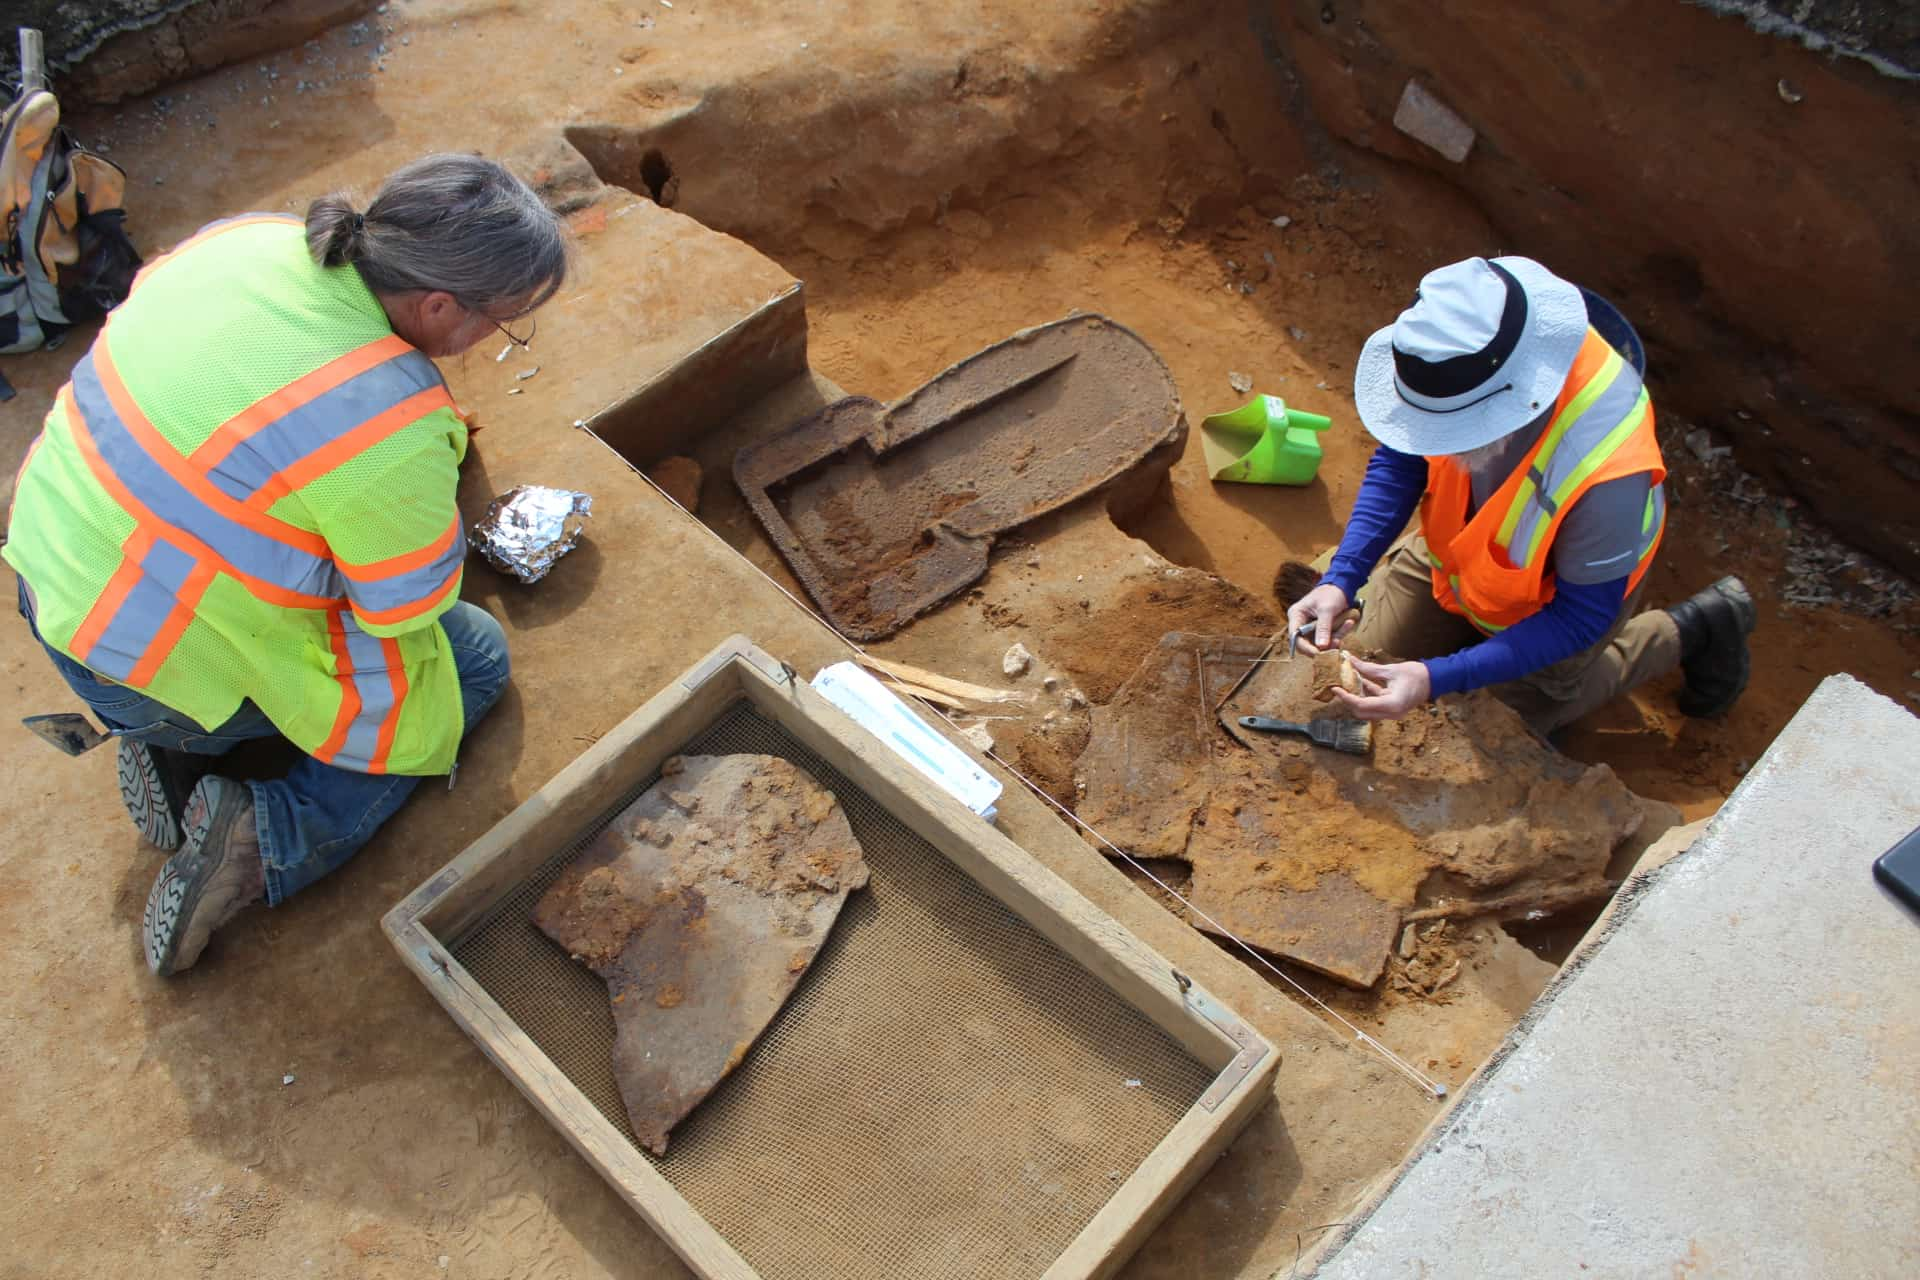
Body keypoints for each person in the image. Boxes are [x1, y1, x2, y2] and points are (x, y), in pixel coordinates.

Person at [5, 153, 569, 975]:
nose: (492, 341)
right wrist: (422, 470)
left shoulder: (252, 239)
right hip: (142, 662)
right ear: (440, 303)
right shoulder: (387, 416)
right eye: (501, 322)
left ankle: (175, 753)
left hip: (51, 581)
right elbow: (402, 606)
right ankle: (263, 835)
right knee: (470, 657)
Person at [1286, 255, 1754, 731]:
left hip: (1558, 601)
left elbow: (1579, 617)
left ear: (1502, 407)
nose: (1432, 440)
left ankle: (1689, 629)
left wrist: (1436, 678)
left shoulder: (1606, 474)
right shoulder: (1456, 343)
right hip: (1459, 560)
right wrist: (1342, 578)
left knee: (1498, 729)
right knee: (1362, 656)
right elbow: (1402, 459)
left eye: (1444, 430)